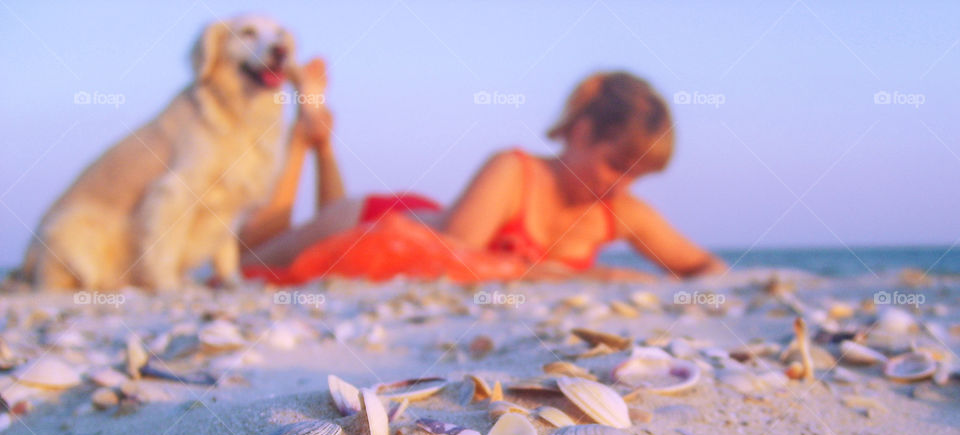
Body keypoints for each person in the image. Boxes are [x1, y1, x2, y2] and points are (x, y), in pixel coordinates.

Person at [239, 60, 726, 284]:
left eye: (636, 177)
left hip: (403, 236)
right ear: (580, 132)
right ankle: (304, 140)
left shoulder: (619, 211)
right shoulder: (513, 171)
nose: (621, 185)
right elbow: (454, 256)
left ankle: (321, 142)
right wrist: (580, 278)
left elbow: (707, 268)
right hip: (373, 223)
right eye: (616, 165)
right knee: (250, 262)